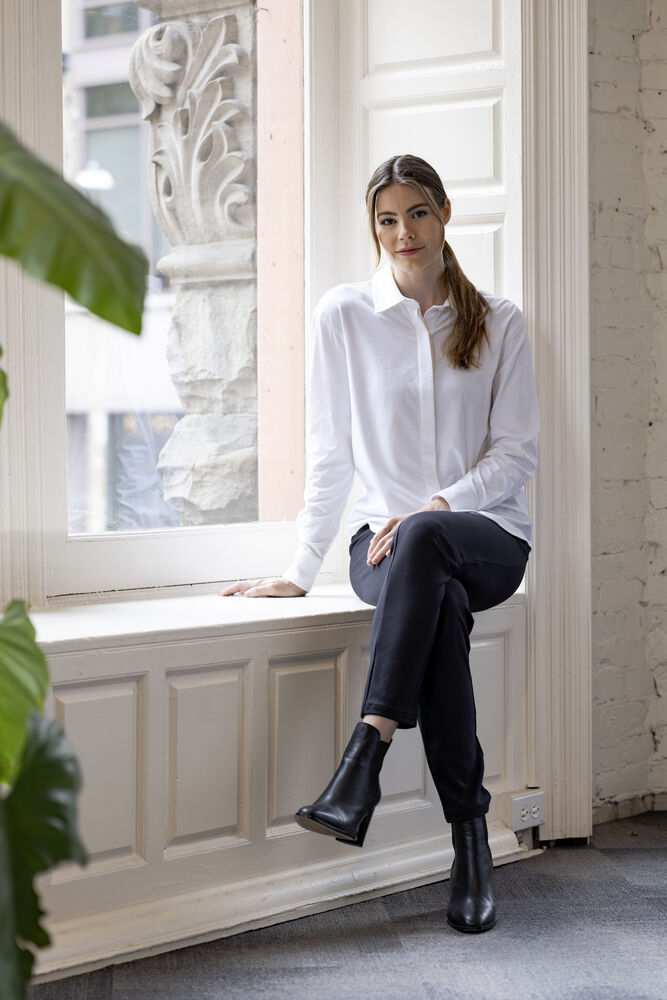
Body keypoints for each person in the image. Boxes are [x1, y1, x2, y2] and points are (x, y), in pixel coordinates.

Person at [221, 154, 539, 934]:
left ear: (445, 213)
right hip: (381, 551)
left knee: (429, 537)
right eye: (387, 219)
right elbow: (330, 452)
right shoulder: (343, 315)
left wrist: (438, 505)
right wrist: (300, 569)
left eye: (417, 213)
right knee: (440, 607)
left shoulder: (499, 321)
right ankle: (470, 842)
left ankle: (363, 756)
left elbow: (514, 455)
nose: (404, 233)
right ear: (373, 227)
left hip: (488, 535)